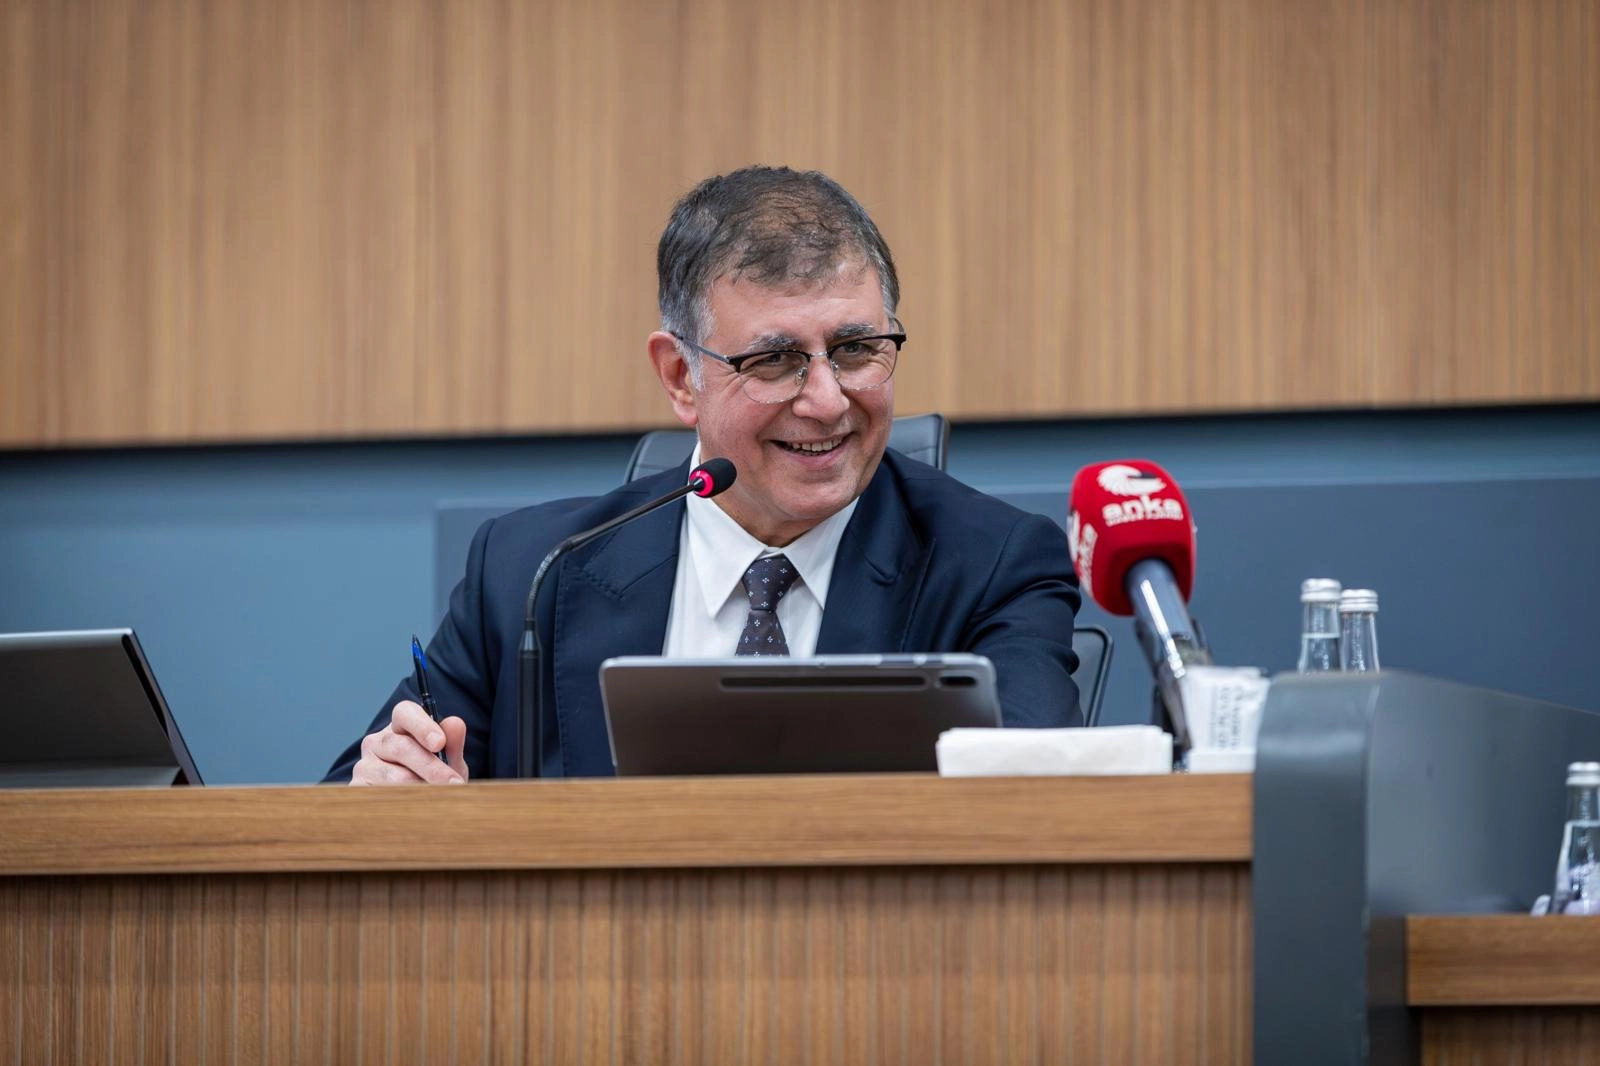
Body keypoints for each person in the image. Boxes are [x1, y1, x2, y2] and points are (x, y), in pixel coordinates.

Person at [327, 166, 1082, 785]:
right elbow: (350, 806)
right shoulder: (529, 573)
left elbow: (1033, 814)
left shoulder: (993, 566)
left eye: (856, 349)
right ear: (681, 378)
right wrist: (402, 792)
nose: (827, 401)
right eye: (775, 360)